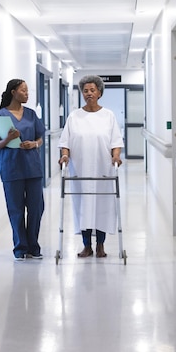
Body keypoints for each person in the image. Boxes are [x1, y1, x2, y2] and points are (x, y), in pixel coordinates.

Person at [58, 75, 124, 258]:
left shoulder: (108, 116)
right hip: (80, 170)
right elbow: (66, 141)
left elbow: (115, 141)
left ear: (99, 93)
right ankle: (86, 245)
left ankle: (101, 245)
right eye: (85, 91)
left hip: (103, 169)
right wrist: (64, 155)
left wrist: (116, 157)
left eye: (92, 90)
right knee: (83, 206)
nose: (89, 94)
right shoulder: (74, 116)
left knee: (102, 205)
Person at [0, 79, 46, 261]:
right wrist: (9, 139)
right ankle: (20, 248)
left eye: (27, 91)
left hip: (33, 167)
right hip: (11, 168)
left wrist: (34, 144)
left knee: (36, 208)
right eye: (23, 90)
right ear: (13, 92)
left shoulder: (30, 114)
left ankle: (33, 247)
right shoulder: (1, 116)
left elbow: (40, 137)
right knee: (16, 209)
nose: (27, 94)